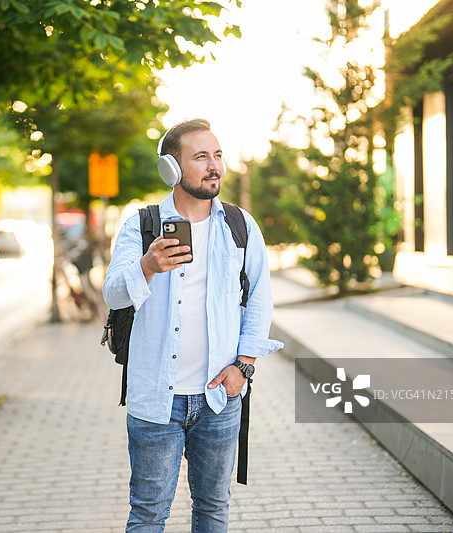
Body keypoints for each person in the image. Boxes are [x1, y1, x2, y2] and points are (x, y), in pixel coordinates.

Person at [102, 118, 283, 532]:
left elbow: (259, 298)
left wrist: (245, 366)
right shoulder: (141, 225)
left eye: (217, 155)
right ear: (171, 167)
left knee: (213, 509)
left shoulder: (240, 225)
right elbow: (113, 294)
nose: (213, 165)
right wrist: (147, 265)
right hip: (155, 402)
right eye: (200, 157)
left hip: (218, 398)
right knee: (148, 514)